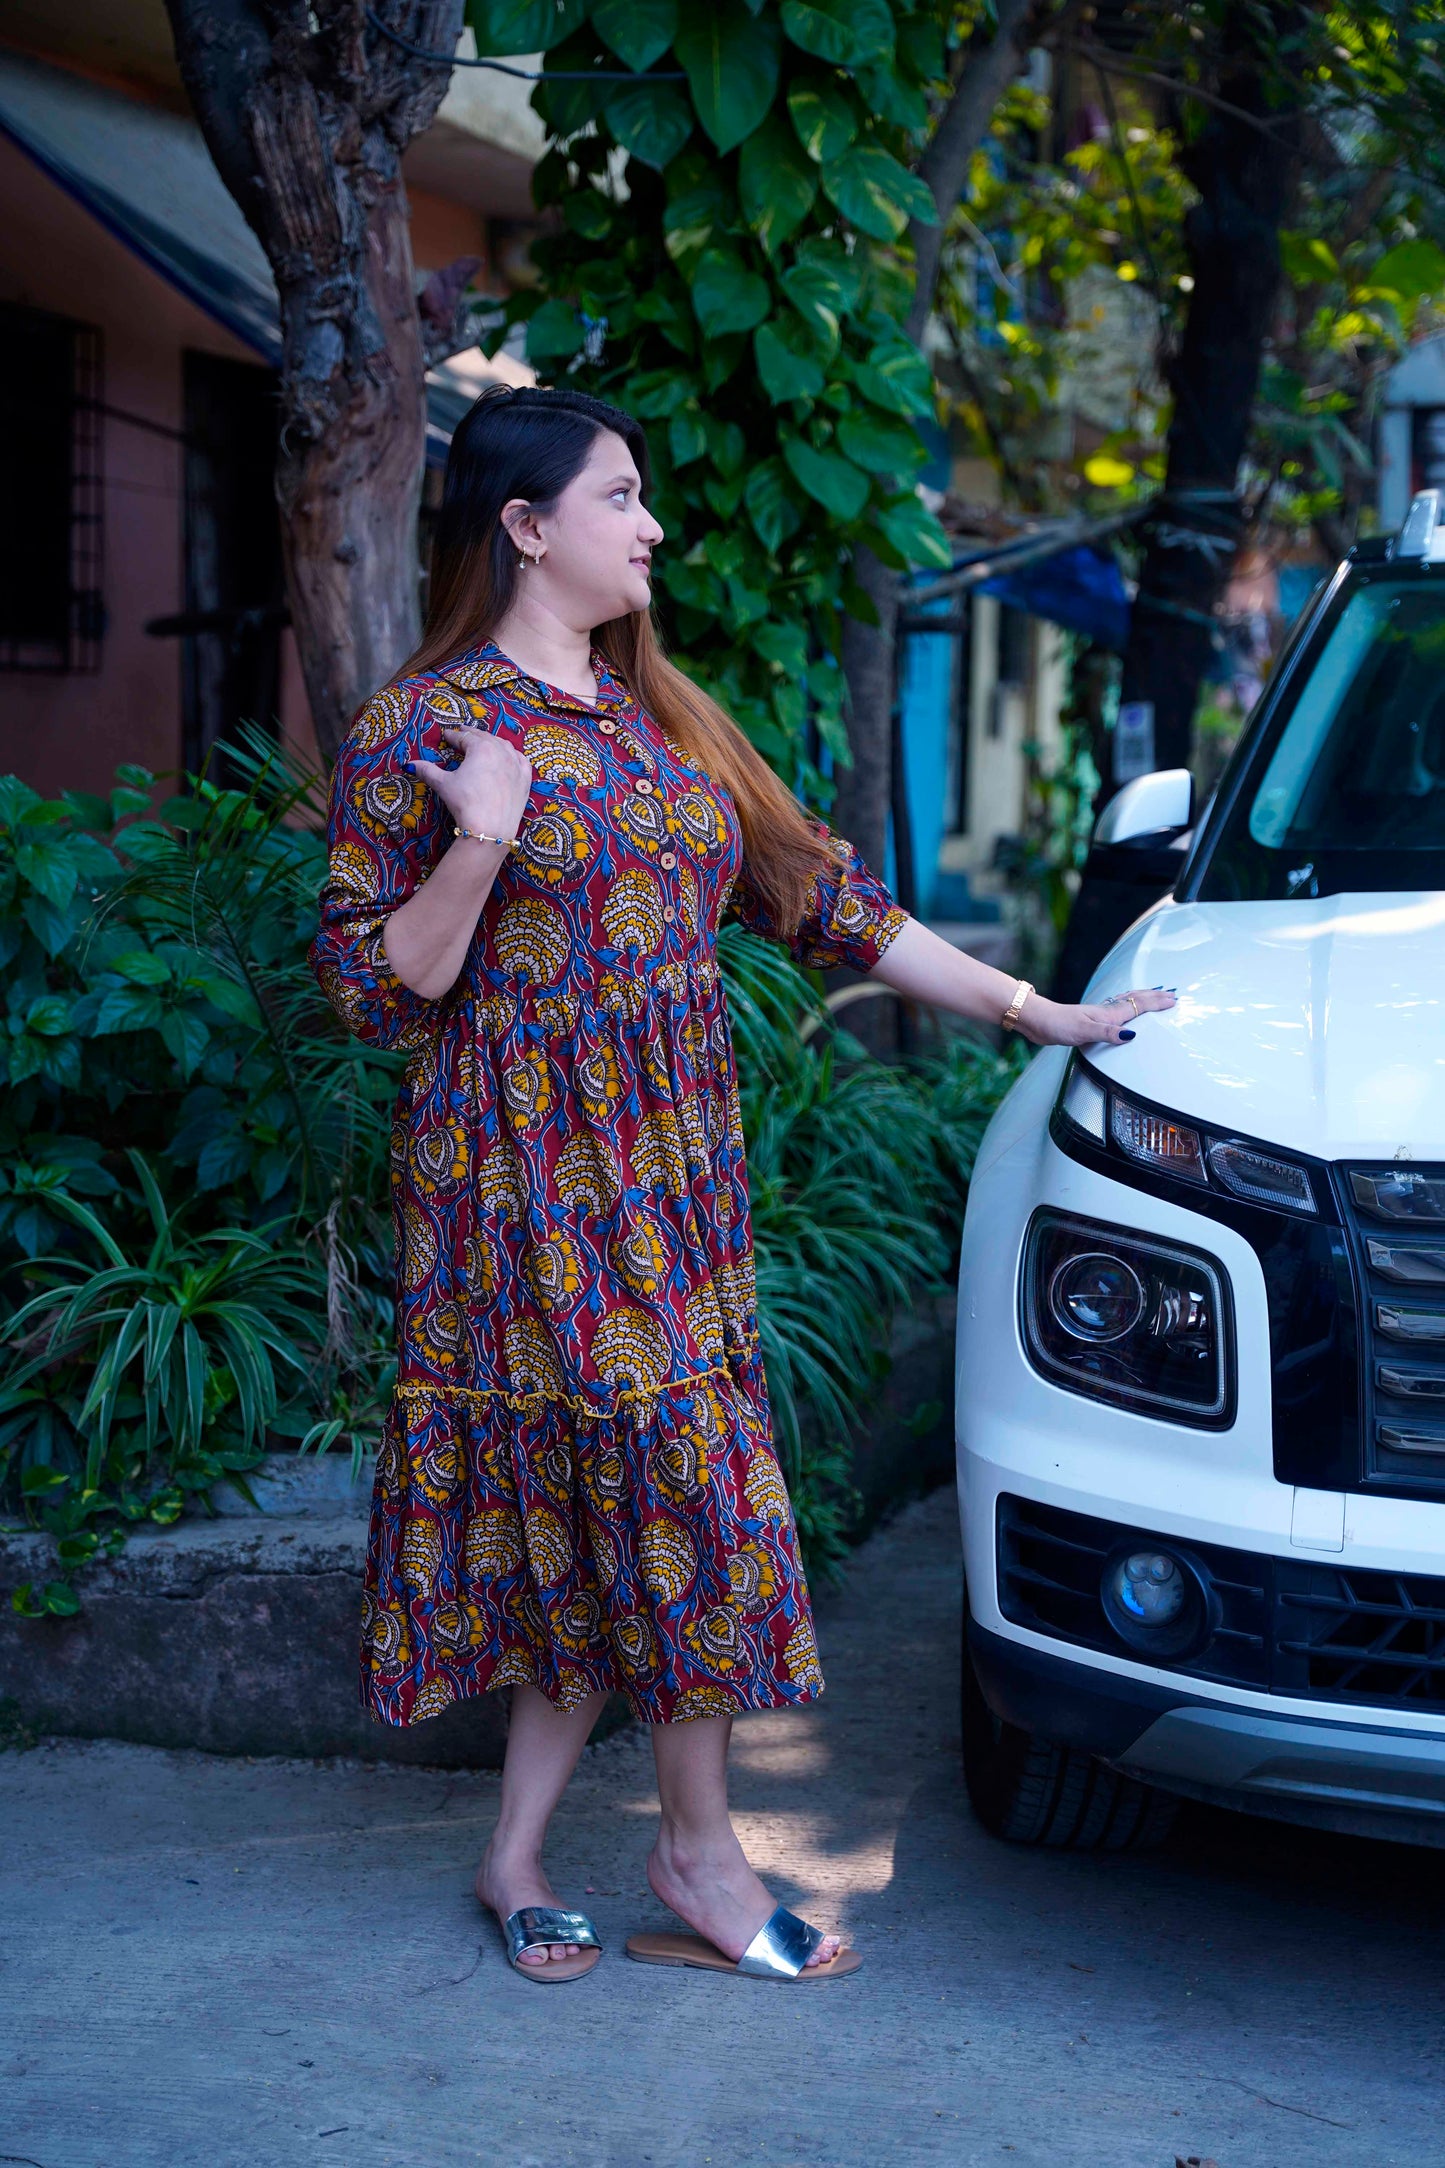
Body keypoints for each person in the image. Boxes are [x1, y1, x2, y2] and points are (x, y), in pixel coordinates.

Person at [310, 384, 1173, 1986]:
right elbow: (372, 991)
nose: (650, 527)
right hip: (522, 1196)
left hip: (676, 1190)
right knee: (671, 1498)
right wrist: (481, 843)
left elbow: (823, 900)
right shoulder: (424, 730)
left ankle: (514, 1858)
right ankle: (698, 1856)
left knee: (612, 1508)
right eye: (620, 498)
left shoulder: (664, 719)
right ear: (524, 527)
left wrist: (1034, 1010)